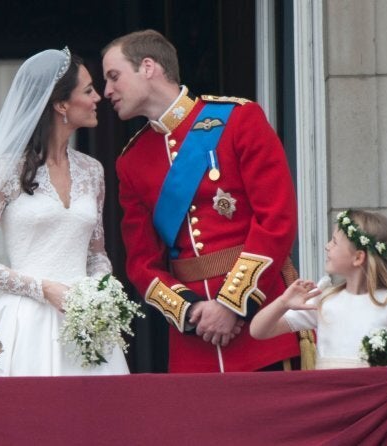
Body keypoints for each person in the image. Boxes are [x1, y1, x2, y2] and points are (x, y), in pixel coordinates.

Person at [102, 30, 299, 372]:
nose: (107, 91)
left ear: (148, 67)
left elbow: (276, 219)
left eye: (114, 76)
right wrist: (191, 312)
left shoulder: (239, 119)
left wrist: (231, 304)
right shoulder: (131, 160)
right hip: (195, 342)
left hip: (261, 323)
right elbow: (141, 263)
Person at [0, 48, 129, 376]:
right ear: (60, 105)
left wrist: (99, 293)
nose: (98, 97)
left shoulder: (92, 171)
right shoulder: (5, 170)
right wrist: (43, 289)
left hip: (86, 323)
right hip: (26, 320)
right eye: (87, 90)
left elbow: (96, 254)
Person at [250, 209, 387, 369]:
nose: (327, 246)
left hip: (375, 402)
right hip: (330, 401)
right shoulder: (324, 300)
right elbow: (259, 331)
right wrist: (283, 303)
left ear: (358, 257)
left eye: (334, 242)